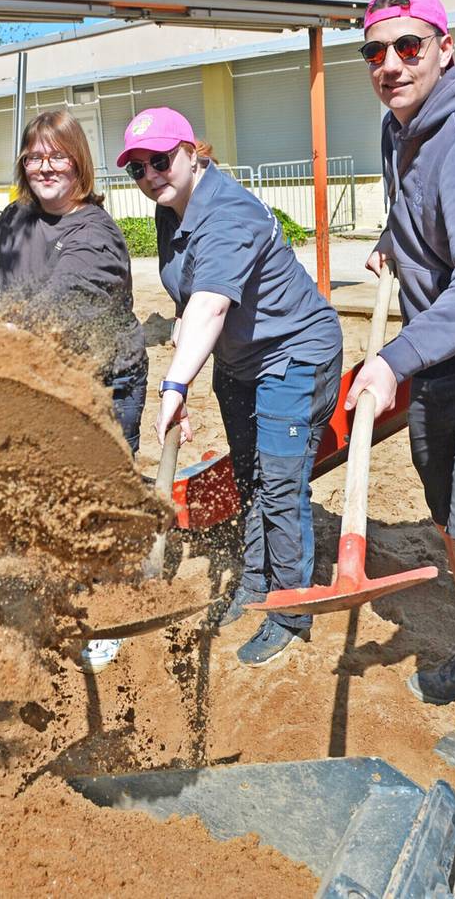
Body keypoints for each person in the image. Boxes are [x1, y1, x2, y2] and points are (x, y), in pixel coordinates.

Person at [119, 107, 343, 666]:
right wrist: (184, 386)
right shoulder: (171, 211)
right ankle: (255, 585)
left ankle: (290, 612)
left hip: (294, 351)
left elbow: (214, 302)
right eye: (137, 168)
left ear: (193, 152)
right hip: (239, 359)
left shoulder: (229, 212)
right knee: (248, 475)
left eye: (161, 160)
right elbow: (188, 305)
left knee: (280, 482)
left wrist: (172, 386)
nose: (150, 175)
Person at [0, 109, 147, 675]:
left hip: (102, 384)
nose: (45, 167)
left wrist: (6, 336)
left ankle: (109, 616)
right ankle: (53, 599)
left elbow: (66, 297)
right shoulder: (18, 216)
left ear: (78, 162)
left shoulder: (95, 234)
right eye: (34, 157)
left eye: (56, 156)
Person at [346, 0, 455, 766]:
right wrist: (393, 241)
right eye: (375, 51)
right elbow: (421, 216)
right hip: (440, 357)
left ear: (444, 47)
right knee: (452, 522)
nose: (390, 64)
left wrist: (390, 358)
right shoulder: (399, 127)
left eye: (408, 46)